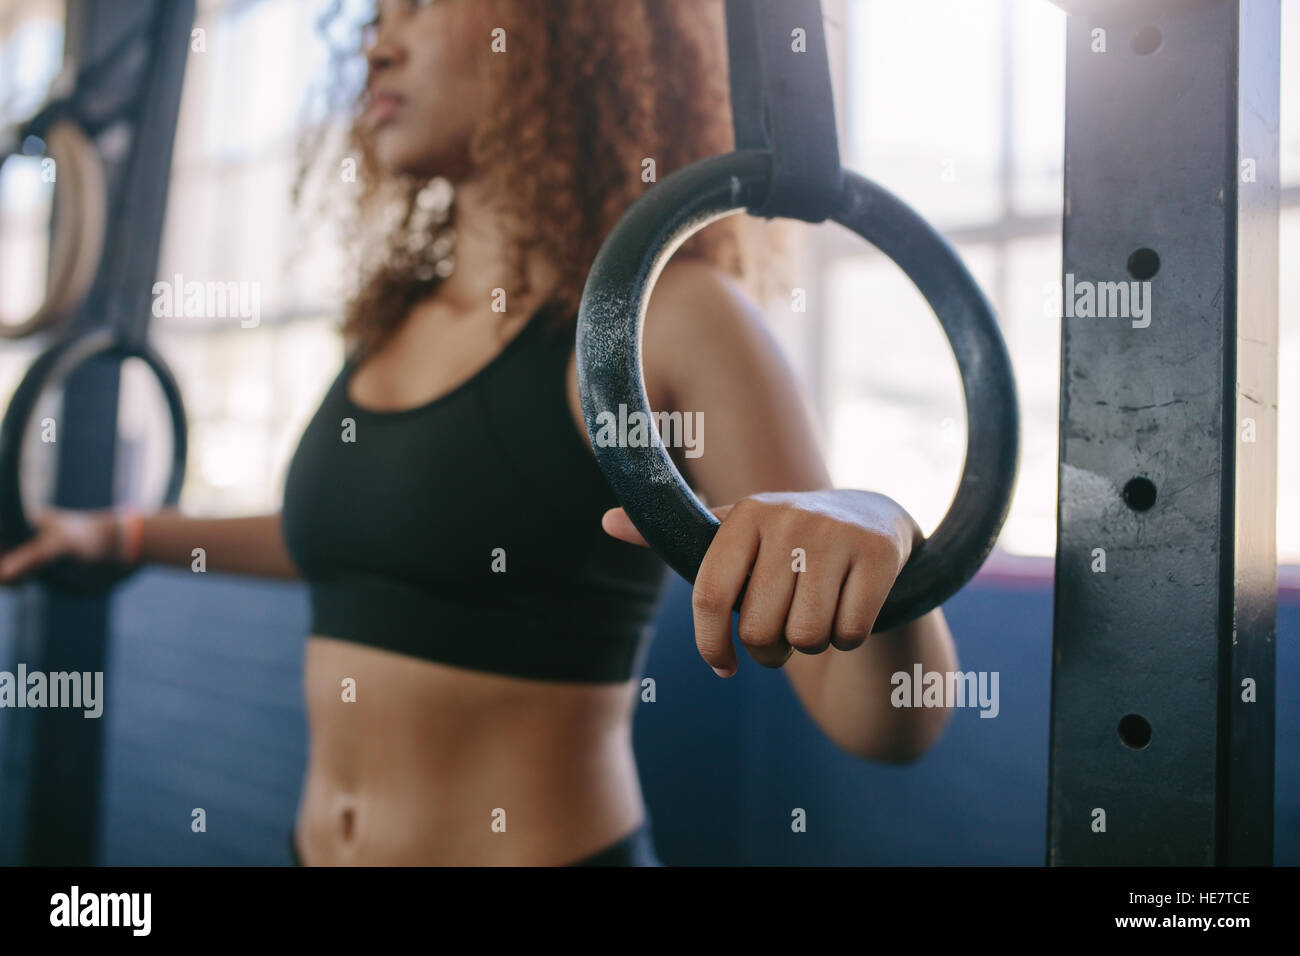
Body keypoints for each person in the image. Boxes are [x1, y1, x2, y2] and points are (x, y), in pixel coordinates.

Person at [0, 0, 957, 866]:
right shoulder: (395, 320)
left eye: (416, 6)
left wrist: (879, 535)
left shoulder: (672, 316)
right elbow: (357, 546)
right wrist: (121, 535)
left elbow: (881, 723)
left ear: (557, 32)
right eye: (375, 16)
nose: (377, 43)